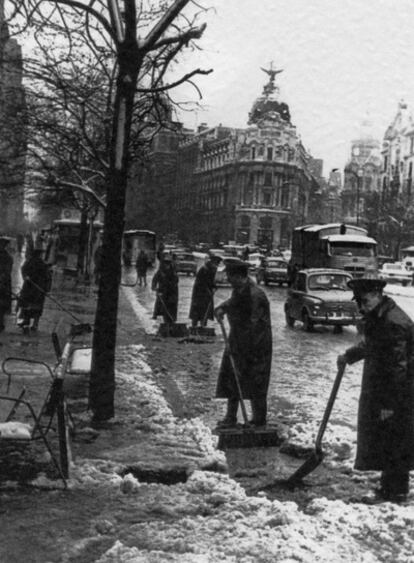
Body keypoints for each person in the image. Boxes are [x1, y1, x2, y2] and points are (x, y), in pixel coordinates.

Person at [337, 274, 414, 504]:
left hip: (399, 392)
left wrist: (390, 404)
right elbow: (372, 344)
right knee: (389, 437)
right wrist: (349, 356)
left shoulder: (393, 322)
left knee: (396, 438)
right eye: (359, 302)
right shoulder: (380, 317)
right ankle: (389, 486)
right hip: (388, 389)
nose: (362, 306)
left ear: (378, 295)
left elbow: (398, 369)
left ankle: (396, 492)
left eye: (366, 301)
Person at [214, 259, 272, 427]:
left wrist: (244, 349)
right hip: (239, 342)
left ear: (239, 276)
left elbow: (255, 325)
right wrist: (222, 308)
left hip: (256, 346)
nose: (227, 280)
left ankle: (259, 421)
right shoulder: (240, 290)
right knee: (234, 377)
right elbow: (233, 303)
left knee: (256, 381)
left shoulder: (255, 295)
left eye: (230, 277)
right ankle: (231, 418)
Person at [18, 247, 52, 333]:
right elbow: (48, 277)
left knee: (33, 306)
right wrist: (26, 277)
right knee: (32, 306)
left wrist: (46, 289)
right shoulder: (34, 263)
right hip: (33, 288)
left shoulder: (37, 263)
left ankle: (31, 324)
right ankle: (30, 324)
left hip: (35, 288)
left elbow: (47, 277)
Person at [189, 254, 221, 328]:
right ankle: (194, 327)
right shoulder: (205, 269)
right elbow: (201, 282)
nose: (217, 266)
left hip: (206, 294)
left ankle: (203, 326)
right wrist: (208, 291)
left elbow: (211, 281)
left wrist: (214, 287)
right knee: (197, 310)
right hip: (199, 294)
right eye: (216, 263)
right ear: (213, 262)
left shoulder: (212, 269)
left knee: (206, 309)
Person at [151, 254, 179, 325]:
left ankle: (172, 322)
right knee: (163, 308)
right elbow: (155, 279)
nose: (167, 265)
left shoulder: (173, 271)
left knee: (171, 308)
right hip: (163, 292)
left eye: (168, 263)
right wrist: (154, 287)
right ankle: (165, 322)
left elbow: (176, 281)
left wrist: (171, 285)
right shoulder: (161, 271)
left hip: (172, 293)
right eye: (166, 263)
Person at [0, 237, 13, 333]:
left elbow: (7, 271)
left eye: (3, 244)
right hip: (3, 283)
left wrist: (2, 278)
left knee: (2, 305)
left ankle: (1, 323)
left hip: (3, 284)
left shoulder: (8, 257)